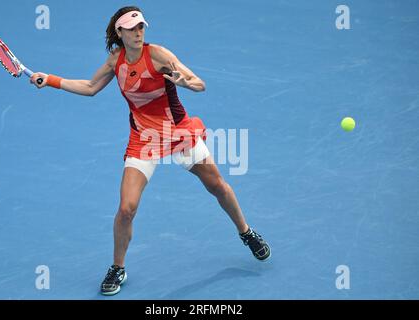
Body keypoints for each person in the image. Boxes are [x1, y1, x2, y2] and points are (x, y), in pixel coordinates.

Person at [30, 6, 271, 296]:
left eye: (141, 26)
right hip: (143, 138)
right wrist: (52, 80)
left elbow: (200, 83)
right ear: (119, 32)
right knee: (126, 208)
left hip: (178, 132)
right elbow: (91, 86)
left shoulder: (158, 55)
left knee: (217, 186)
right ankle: (118, 268)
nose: (138, 32)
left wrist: (185, 83)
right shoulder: (115, 60)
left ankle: (246, 232)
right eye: (132, 28)